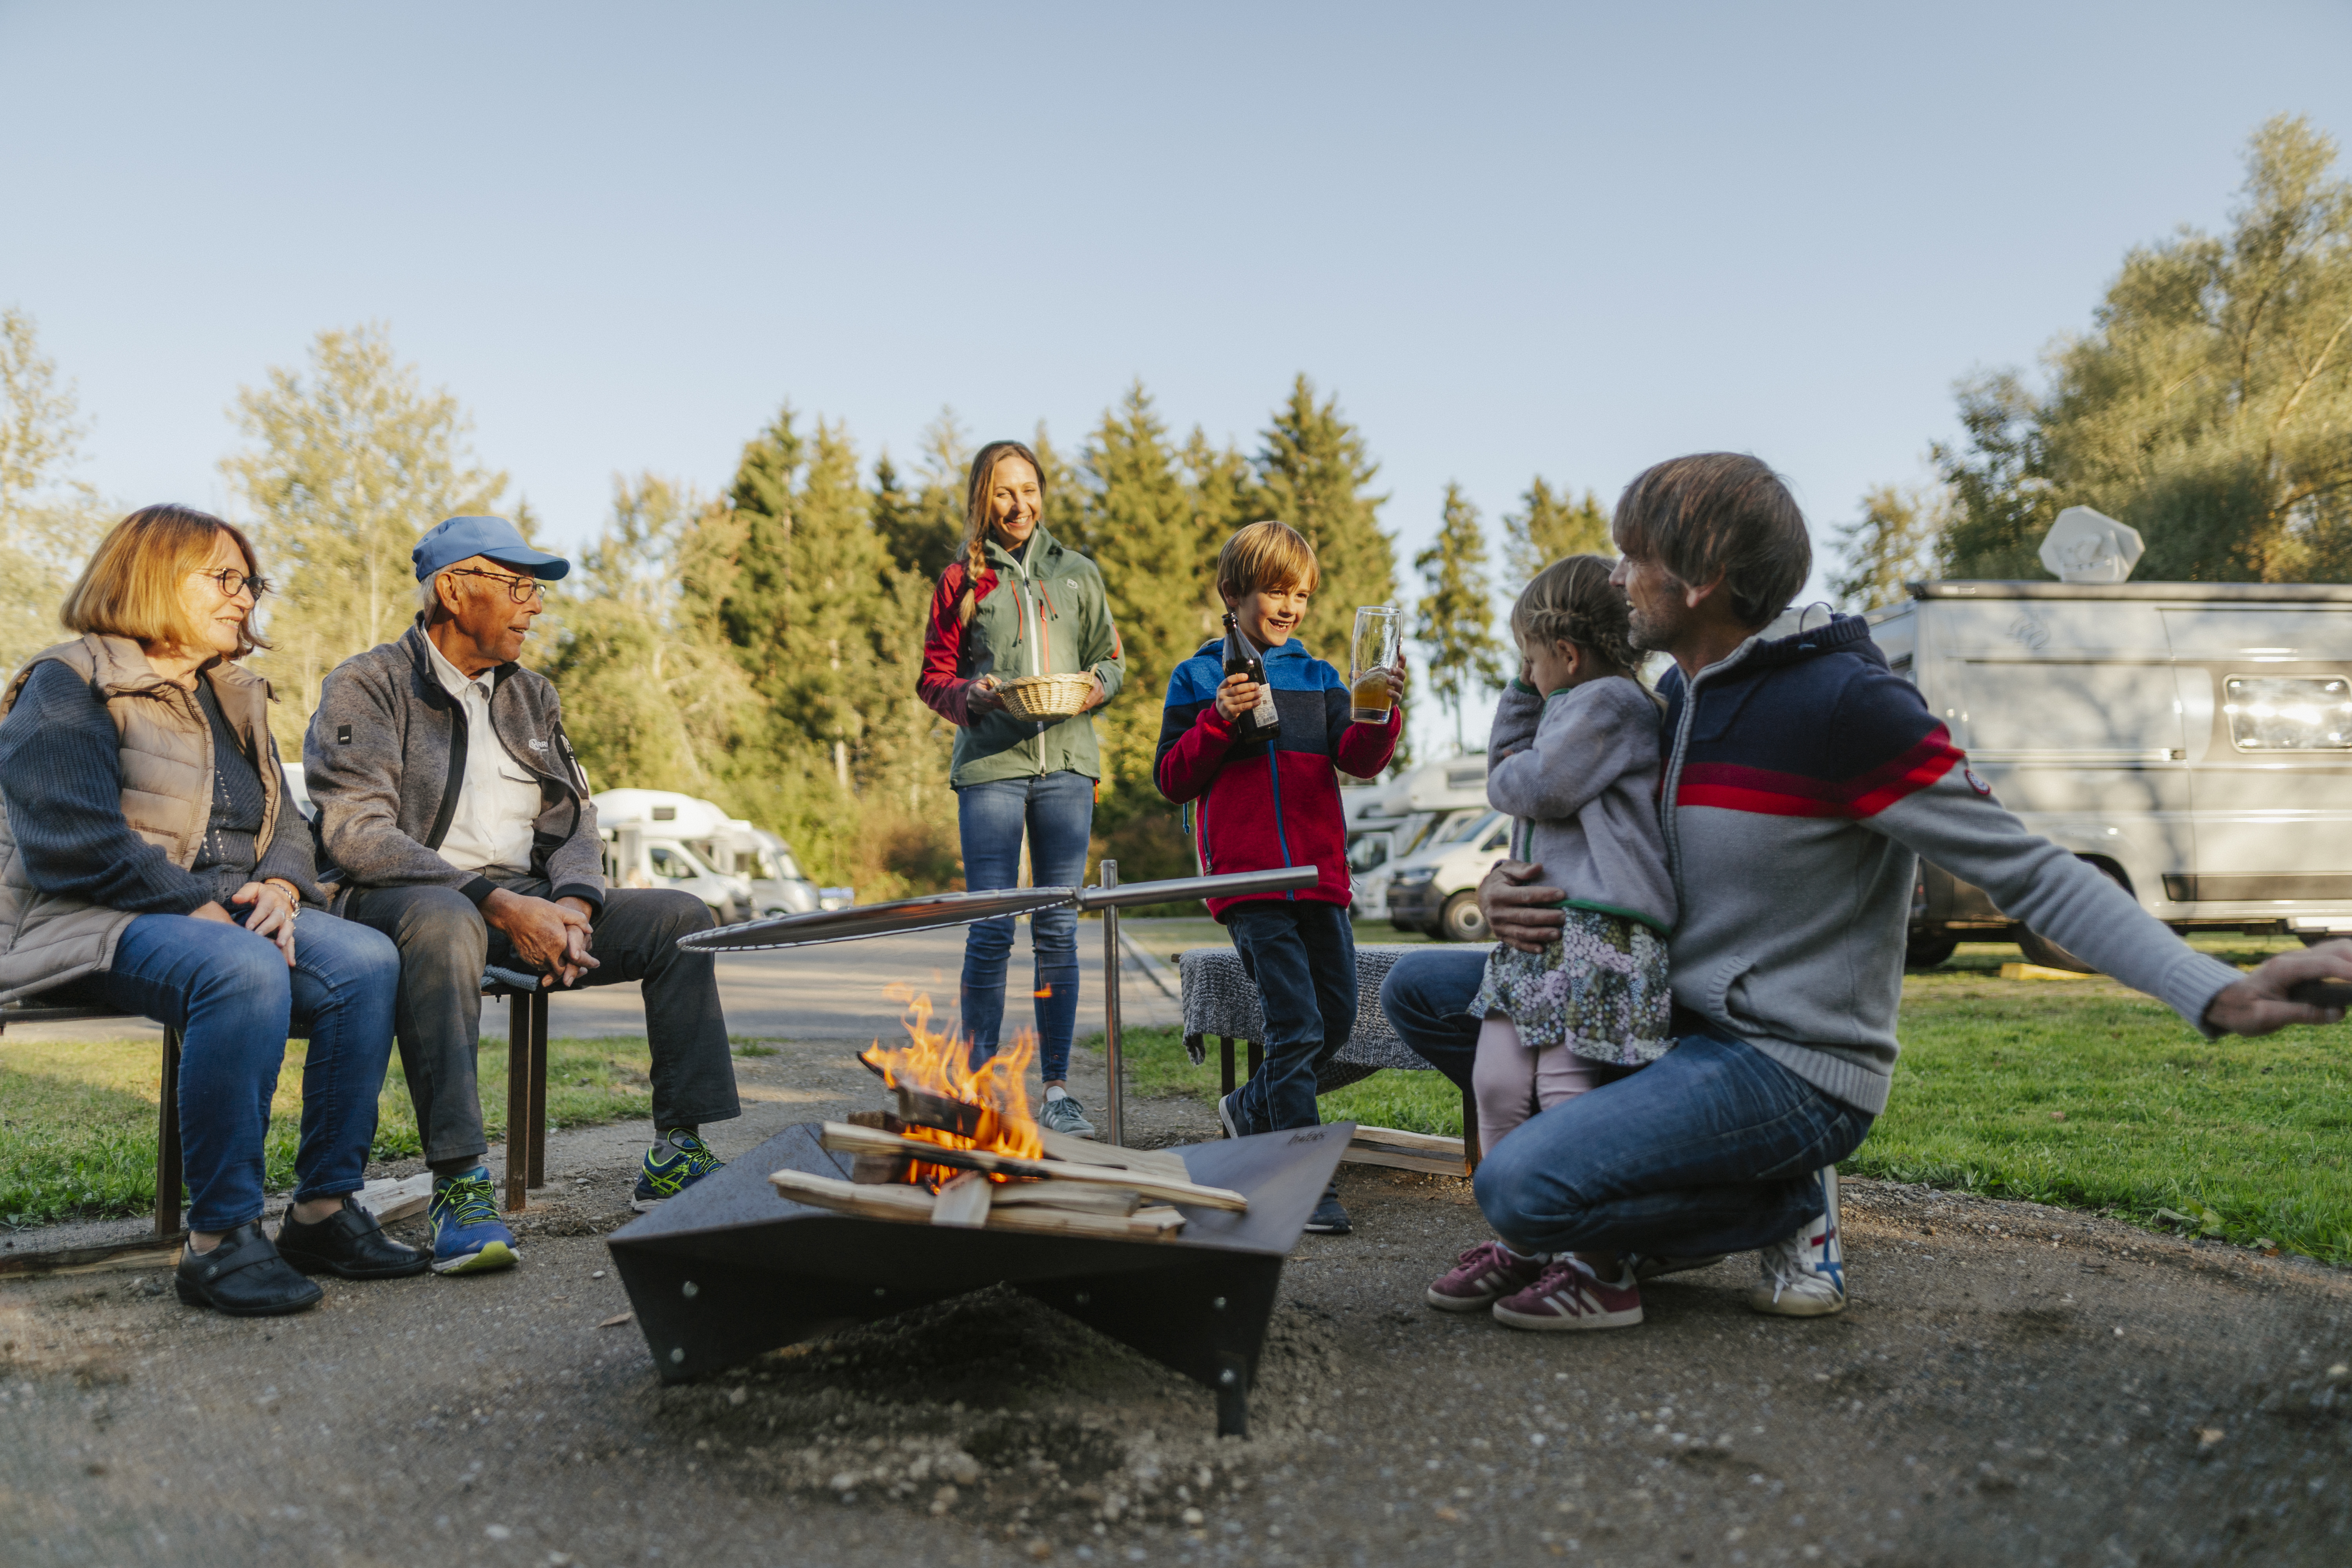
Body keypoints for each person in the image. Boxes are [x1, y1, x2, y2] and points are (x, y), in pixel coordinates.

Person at [1382, 452, 2351, 1323]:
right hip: (1664, 1013)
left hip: (1787, 1060)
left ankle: (1786, 1191)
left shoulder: (1848, 706)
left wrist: (2213, 988)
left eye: (1634, 553)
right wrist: (1515, 881)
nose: (1615, 576)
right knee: (1419, 996)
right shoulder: (1668, 698)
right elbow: (1586, 827)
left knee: (1520, 1186)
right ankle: (1639, 1196)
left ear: (1705, 574)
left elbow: (2029, 869)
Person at [0, 504, 421, 1316]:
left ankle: (322, 1210)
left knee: (368, 959)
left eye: (249, 581)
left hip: (215, 912)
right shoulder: (67, 681)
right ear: (151, 575)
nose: (244, 597)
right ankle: (219, 1240)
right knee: (243, 968)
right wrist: (195, 901)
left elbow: (288, 825)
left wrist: (283, 886)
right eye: (224, 578)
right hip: (89, 913)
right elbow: (69, 840)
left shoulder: (232, 695)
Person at [305, 515, 740, 1276]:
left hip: (522, 900)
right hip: (404, 901)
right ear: (451, 589)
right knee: (446, 919)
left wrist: (576, 903)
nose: (534, 605)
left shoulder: (532, 696)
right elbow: (356, 834)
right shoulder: (366, 684)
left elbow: (573, 813)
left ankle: (679, 1152)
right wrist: (496, 903)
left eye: (535, 589)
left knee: (682, 918)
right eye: (516, 585)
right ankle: (460, 1186)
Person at [1422, 555, 1678, 1329]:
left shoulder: (1610, 705)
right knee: (1498, 1083)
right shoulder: (1573, 703)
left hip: (1598, 931)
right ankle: (1524, 1238)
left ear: (1567, 655)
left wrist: (1510, 724)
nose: (1523, 679)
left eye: (1528, 662)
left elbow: (1533, 787)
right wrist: (1526, 693)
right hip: (1543, 931)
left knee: (1568, 1094)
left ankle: (1596, 1263)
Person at [1154, 520, 1406, 1235]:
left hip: (1320, 877)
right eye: (1275, 591)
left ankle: (1253, 1105)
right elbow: (1172, 779)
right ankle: (1305, 1180)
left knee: (1332, 1019)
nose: (1290, 606)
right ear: (1233, 594)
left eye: (1301, 594)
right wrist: (1216, 722)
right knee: (1293, 1024)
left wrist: (1381, 707)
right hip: (1251, 881)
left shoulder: (1320, 676)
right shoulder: (1199, 677)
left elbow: (1358, 758)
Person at [918, 440, 1125, 1138]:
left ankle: (1058, 1087)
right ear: (983, 498)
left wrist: (1095, 686)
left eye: (1029, 489)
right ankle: (978, 1088)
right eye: (1005, 493)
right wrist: (971, 697)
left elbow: (1111, 661)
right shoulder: (961, 580)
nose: (1020, 505)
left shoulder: (1079, 574)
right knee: (990, 926)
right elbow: (933, 677)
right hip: (991, 772)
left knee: (1059, 925)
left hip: (1068, 767)